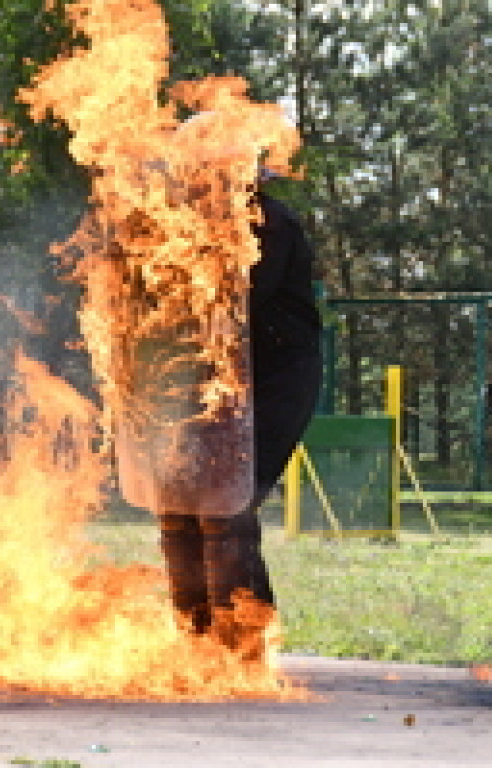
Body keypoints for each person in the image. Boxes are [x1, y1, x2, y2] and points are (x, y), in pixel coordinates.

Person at [157, 177, 323, 651]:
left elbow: (238, 298)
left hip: (274, 382)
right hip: (215, 381)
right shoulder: (191, 226)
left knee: (226, 502)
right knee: (177, 504)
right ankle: (195, 640)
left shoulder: (267, 222)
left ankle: (242, 647)